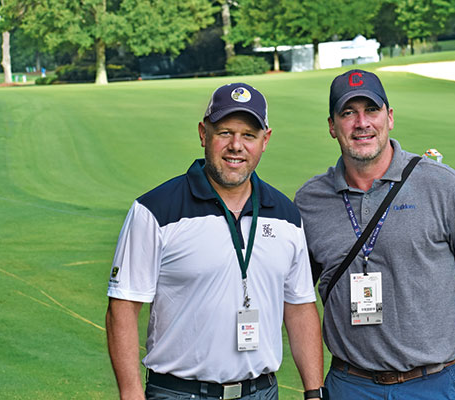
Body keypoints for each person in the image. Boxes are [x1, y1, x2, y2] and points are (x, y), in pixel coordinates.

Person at [294, 70, 455, 400]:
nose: (362, 123)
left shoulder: (442, 185)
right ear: (331, 126)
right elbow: (296, 298)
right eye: (348, 113)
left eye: (372, 110)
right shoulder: (310, 201)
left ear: (389, 117)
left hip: (434, 384)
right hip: (350, 385)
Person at [106, 82, 326, 400]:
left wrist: (313, 393)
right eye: (224, 132)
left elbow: (300, 307)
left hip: (261, 392)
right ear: (203, 134)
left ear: (265, 141)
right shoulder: (155, 210)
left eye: (249, 135)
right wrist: (131, 393)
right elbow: (123, 308)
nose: (236, 145)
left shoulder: (285, 214)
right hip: (179, 392)